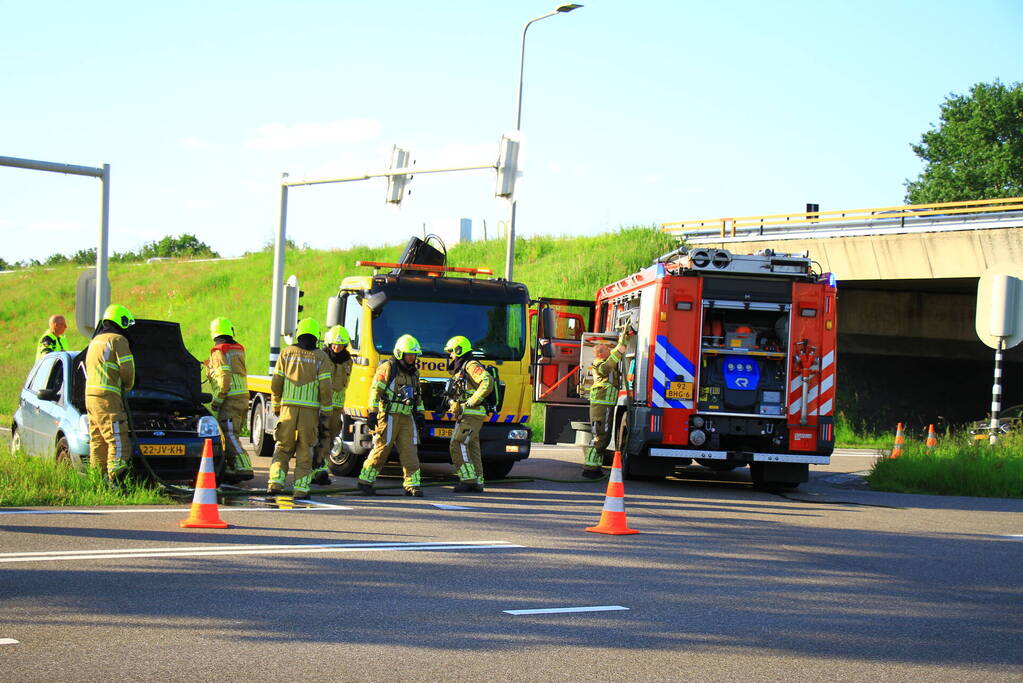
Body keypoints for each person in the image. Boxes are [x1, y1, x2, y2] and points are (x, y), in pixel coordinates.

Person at [269, 318, 332, 499]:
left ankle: (275, 483)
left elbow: (276, 382)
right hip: (310, 413)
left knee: (282, 447)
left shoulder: (286, 353)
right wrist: (326, 411)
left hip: (287, 409)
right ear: (316, 336)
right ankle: (301, 489)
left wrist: (276, 403)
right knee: (305, 450)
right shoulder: (321, 357)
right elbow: (326, 387)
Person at [357, 334, 425, 497]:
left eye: (414, 355)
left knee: (410, 452)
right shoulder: (388, 367)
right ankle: (365, 481)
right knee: (381, 449)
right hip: (388, 416)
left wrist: (420, 414)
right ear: (400, 353)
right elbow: (376, 390)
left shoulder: (414, 373)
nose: (412, 358)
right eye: (409, 354)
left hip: (406, 417)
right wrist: (372, 413)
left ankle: (412, 484)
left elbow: (418, 396)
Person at [84, 304, 136, 481]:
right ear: (121, 321)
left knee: (98, 441)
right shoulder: (117, 340)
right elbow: (127, 370)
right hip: (108, 398)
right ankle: (117, 482)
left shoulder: (94, 341)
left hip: (90, 398)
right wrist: (128, 387)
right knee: (118, 440)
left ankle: (97, 481)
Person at [206, 317, 254, 483]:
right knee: (234, 433)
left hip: (230, 399)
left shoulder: (219, 352)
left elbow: (224, 379)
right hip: (242, 397)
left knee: (229, 434)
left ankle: (243, 465)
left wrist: (217, 400)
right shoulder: (238, 349)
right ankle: (231, 467)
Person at [582, 326, 634, 478]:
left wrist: (623, 341)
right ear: (600, 353)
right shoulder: (599, 364)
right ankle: (590, 469)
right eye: (606, 349)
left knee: (603, 436)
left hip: (606, 405)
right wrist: (620, 347)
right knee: (600, 436)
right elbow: (609, 365)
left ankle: (594, 466)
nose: (609, 350)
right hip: (601, 405)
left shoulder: (605, 362)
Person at [444, 335, 493, 493]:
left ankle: (468, 480)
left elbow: (487, 381)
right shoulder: (461, 367)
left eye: (451, 352)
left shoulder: (471, 365)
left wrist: (471, 401)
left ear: (459, 350)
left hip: (472, 413)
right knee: (472, 447)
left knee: (457, 443)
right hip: (466, 414)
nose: (450, 355)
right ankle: (478, 481)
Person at [311, 325, 354, 486]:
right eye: (334, 344)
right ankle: (315, 469)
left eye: (341, 344)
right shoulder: (322, 357)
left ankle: (320, 467)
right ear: (329, 343)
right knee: (317, 437)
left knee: (330, 438)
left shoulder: (348, 361)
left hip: (336, 408)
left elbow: (345, 384)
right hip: (320, 405)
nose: (337, 347)